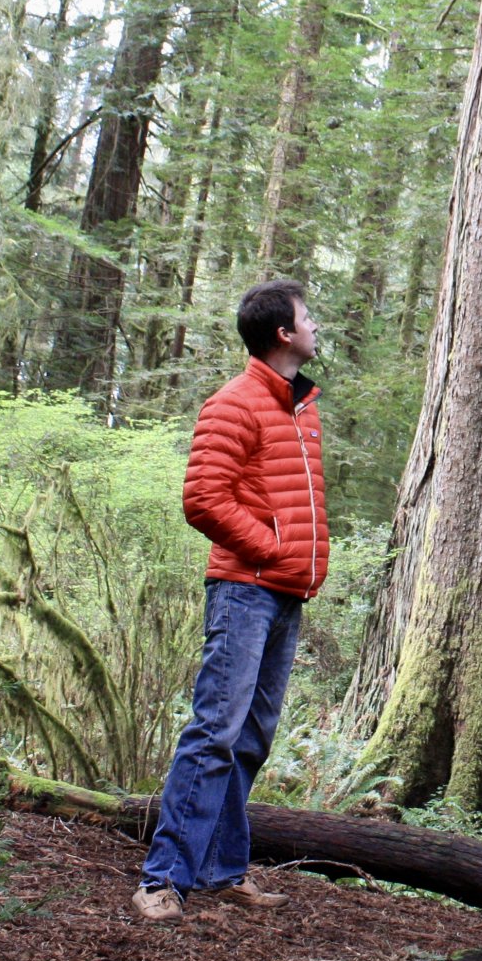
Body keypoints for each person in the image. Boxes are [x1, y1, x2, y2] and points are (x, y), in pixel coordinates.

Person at [133, 279, 329, 921]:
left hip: (285, 594)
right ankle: (162, 879)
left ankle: (221, 869)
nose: (315, 327)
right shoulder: (234, 403)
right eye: (307, 318)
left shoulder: (301, 407)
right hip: (244, 591)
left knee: (250, 738)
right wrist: (271, 549)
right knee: (214, 732)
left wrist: (293, 563)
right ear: (283, 333)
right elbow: (203, 499)